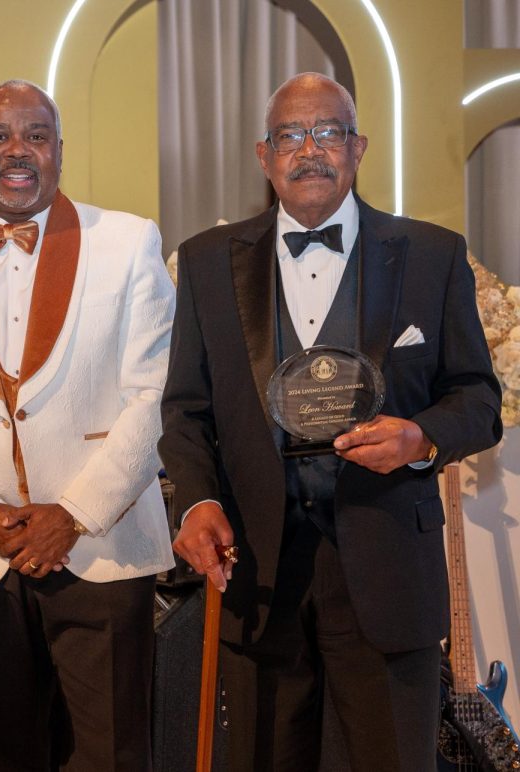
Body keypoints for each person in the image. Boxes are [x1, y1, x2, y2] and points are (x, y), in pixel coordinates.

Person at [160, 72, 502, 771]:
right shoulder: (203, 263)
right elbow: (186, 410)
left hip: (386, 571)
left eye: (328, 132)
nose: (309, 149)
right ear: (264, 156)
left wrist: (420, 437)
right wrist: (197, 502)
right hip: (255, 573)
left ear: (358, 148)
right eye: (290, 134)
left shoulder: (433, 256)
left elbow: (478, 398)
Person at [0, 80, 176, 771]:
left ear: (60, 152)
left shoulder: (131, 242)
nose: (18, 151)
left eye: (36, 135)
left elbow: (155, 395)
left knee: (111, 755)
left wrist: (73, 514)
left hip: (103, 547)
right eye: (0, 135)